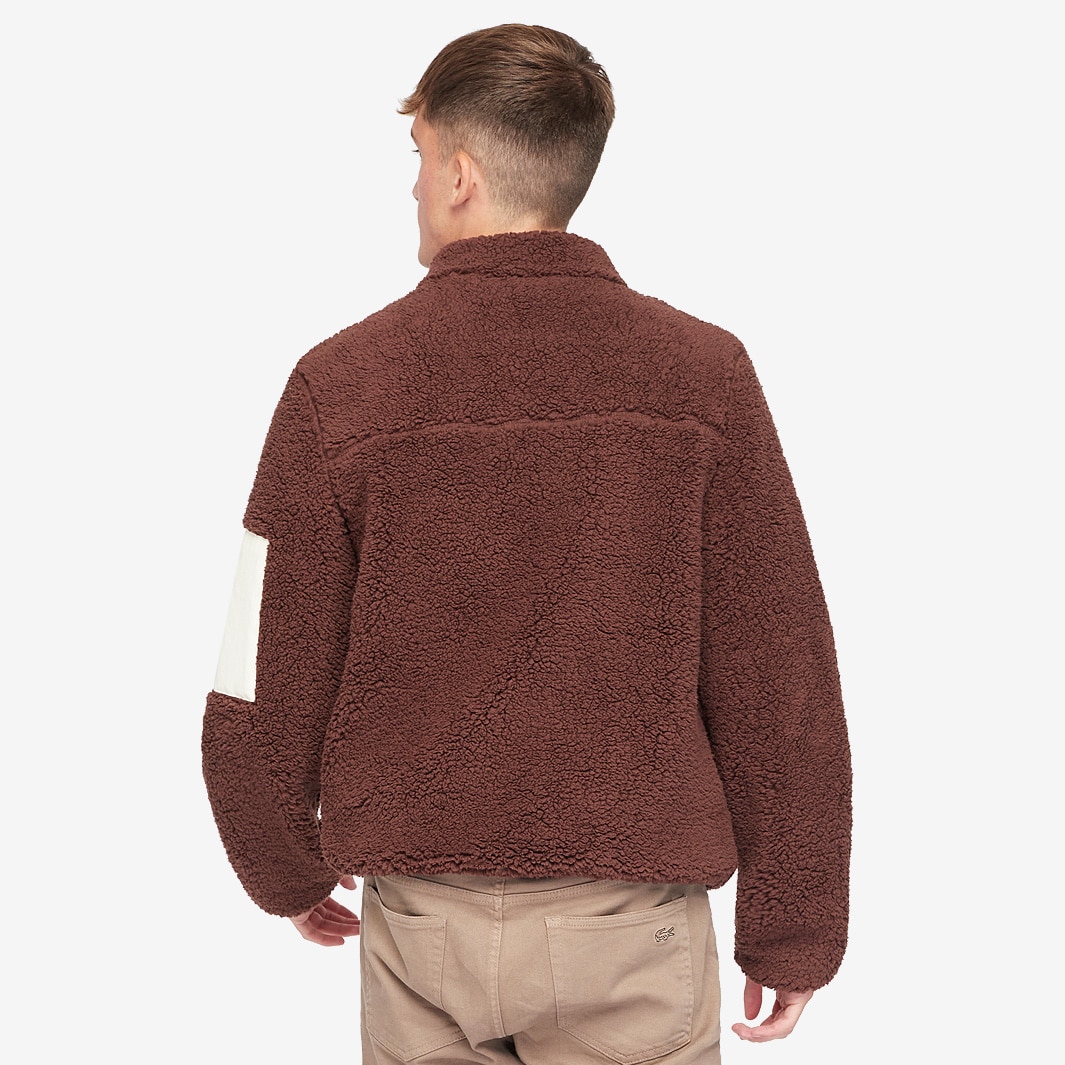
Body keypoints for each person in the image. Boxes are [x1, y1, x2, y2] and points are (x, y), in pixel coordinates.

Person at [201, 22, 852, 1064]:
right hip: (631, 930)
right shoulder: (702, 374)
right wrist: (796, 923)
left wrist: (281, 863)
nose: (412, 187)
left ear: (460, 173)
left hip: (422, 930)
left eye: (417, 159)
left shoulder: (341, 383)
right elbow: (781, 671)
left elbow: (258, 672)